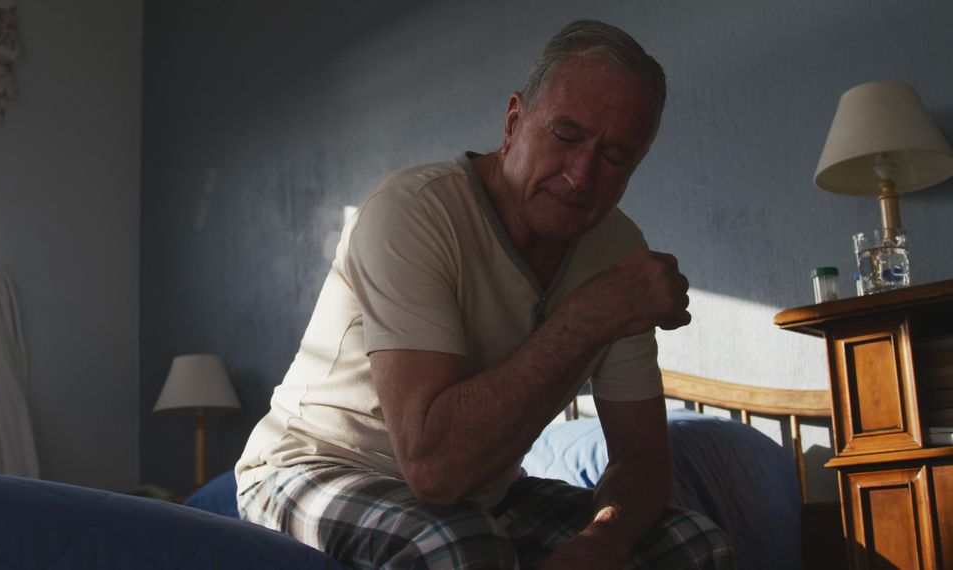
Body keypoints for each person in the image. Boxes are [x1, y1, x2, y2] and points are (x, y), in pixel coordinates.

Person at [235, 19, 734, 569]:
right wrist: (593, 315)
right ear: (514, 122)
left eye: (615, 157)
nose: (581, 175)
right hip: (312, 466)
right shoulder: (413, 213)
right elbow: (433, 468)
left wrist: (603, 540)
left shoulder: (618, 251)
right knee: (459, 545)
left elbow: (641, 459)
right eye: (566, 136)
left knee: (690, 541)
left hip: (480, 495)